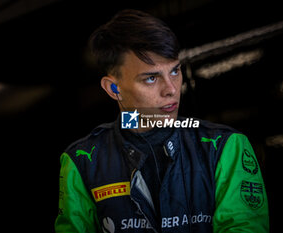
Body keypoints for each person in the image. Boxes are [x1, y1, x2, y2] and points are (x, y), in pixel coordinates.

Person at [55, 9, 269, 233]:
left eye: (175, 71)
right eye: (151, 78)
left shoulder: (225, 146)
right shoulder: (82, 160)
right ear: (114, 89)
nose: (172, 89)